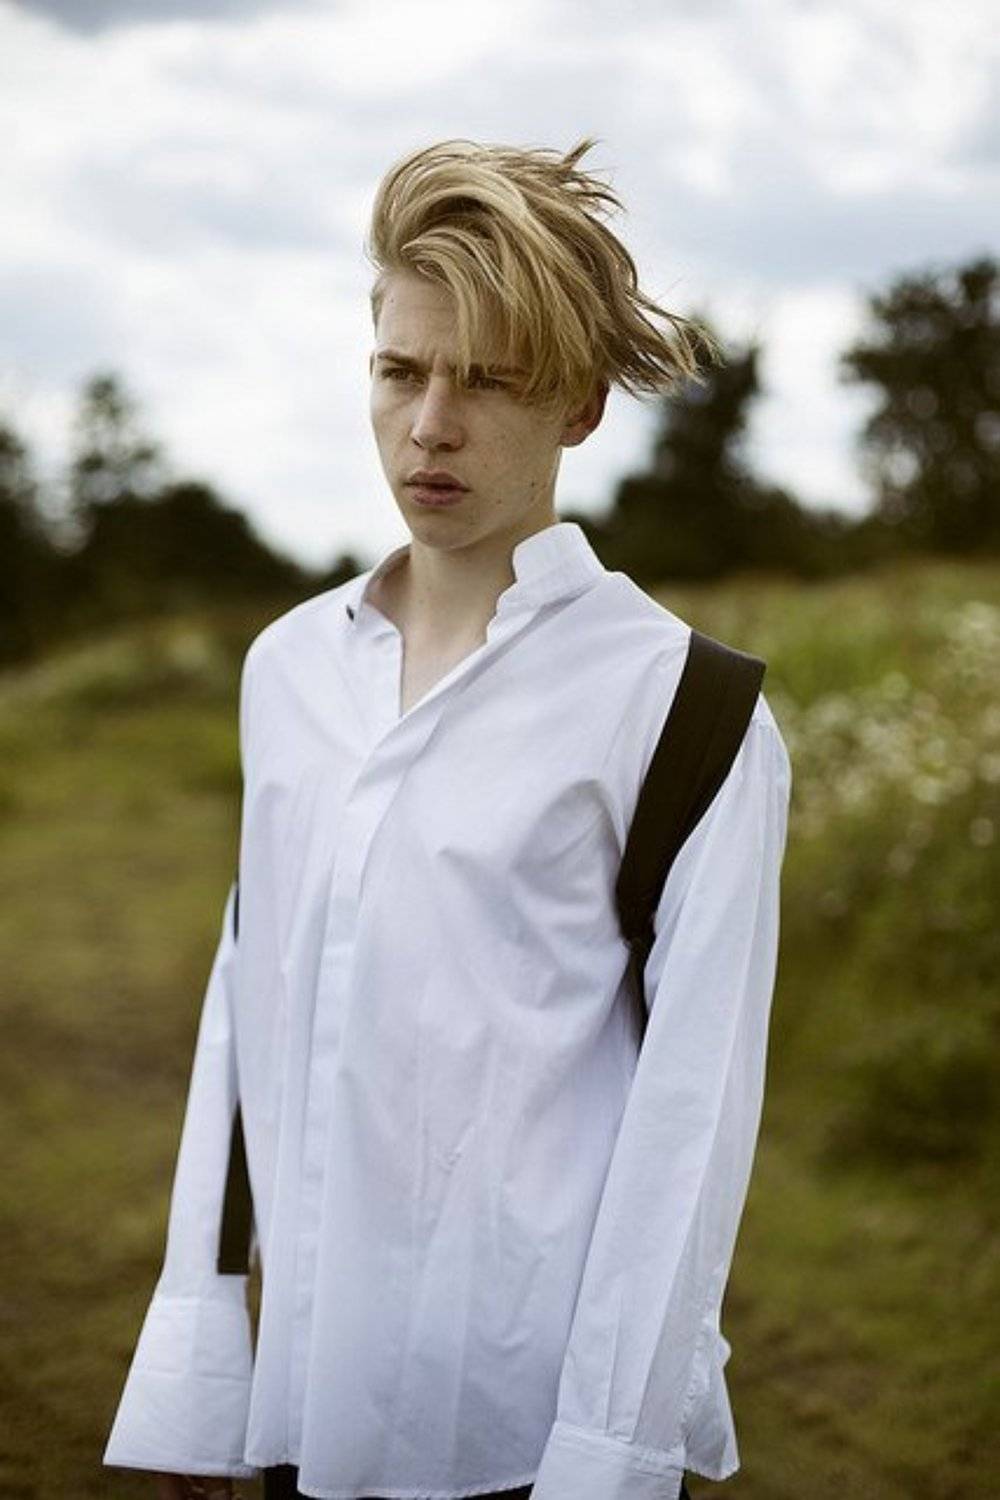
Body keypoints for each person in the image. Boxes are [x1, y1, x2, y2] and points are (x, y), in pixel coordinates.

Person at [103, 137, 791, 1500]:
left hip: (523, 1429)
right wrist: (200, 1375)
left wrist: (607, 1460)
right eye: (400, 370)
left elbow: (690, 1127)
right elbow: (252, 1010)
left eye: (487, 380)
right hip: (307, 1403)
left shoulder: (688, 710)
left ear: (579, 408)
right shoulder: (290, 670)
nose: (430, 424)